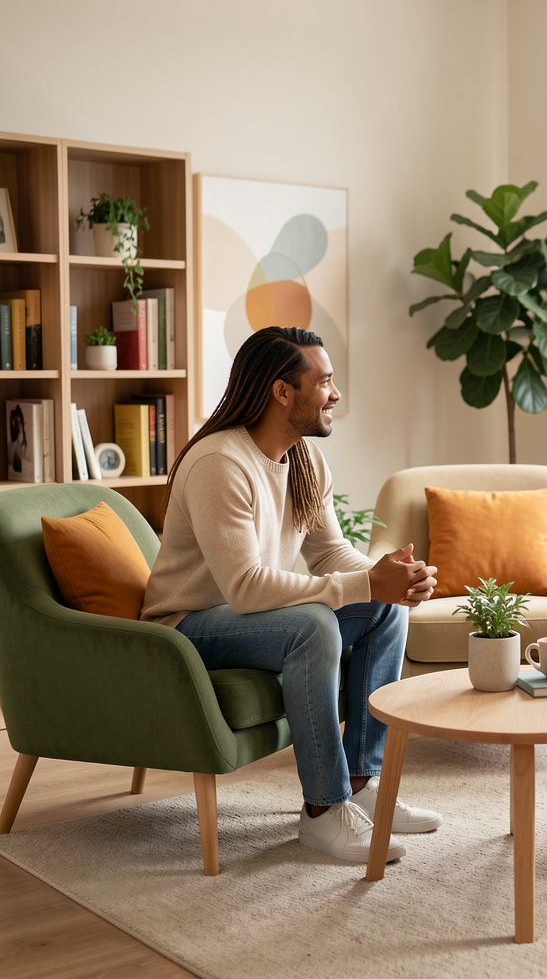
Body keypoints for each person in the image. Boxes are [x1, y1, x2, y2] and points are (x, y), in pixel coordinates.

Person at [142, 326, 441, 864]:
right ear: (283, 392)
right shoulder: (220, 463)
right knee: (314, 625)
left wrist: (386, 576)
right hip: (190, 624)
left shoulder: (303, 459)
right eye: (324, 381)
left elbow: (330, 555)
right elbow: (245, 586)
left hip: (248, 617)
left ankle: (361, 781)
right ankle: (323, 812)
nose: (336, 394)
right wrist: (366, 583)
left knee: (384, 608)